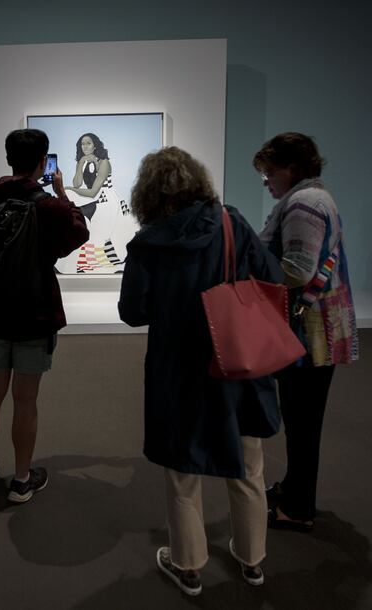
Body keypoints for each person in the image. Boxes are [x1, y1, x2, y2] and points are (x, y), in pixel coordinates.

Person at [118, 147, 283, 596]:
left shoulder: (149, 243)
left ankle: (187, 565)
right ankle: (252, 561)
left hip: (178, 367)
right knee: (248, 464)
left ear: (148, 193)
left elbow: (132, 312)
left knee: (181, 470)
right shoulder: (232, 223)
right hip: (236, 361)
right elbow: (271, 276)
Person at [0, 129, 89, 503]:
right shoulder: (48, 206)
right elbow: (78, 233)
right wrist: (62, 192)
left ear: (8, 157)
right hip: (33, 312)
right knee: (25, 400)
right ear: (43, 161)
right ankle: (21, 480)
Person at [253, 132, 359, 532]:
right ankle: (294, 489)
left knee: (302, 420)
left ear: (291, 168)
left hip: (310, 332)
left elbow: (297, 269)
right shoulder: (314, 199)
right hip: (317, 327)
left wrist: (253, 269)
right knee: (301, 417)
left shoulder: (303, 203)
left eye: (269, 171)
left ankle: (298, 508)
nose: (266, 179)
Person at [55, 132, 139, 274]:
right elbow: (77, 183)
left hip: (105, 198)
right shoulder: (83, 161)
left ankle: (96, 256)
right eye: (82, 143)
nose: (85, 146)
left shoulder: (104, 162)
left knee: (70, 195)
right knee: (68, 196)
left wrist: (69, 189)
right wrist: (80, 163)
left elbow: (94, 192)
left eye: (88, 143)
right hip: (91, 197)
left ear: (95, 146)